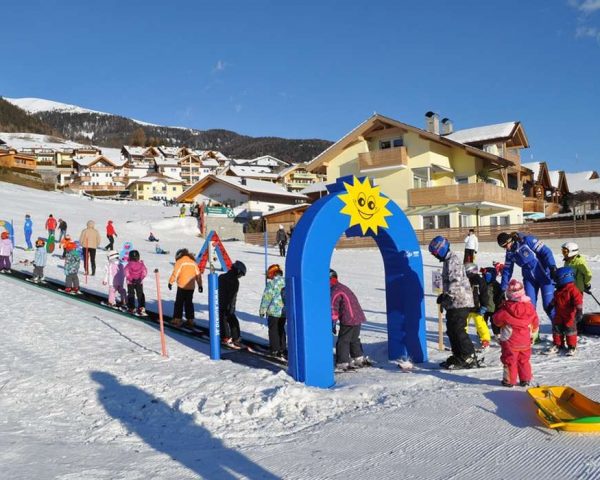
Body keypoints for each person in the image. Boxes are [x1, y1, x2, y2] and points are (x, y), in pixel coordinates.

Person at [428, 236, 478, 369]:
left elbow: (455, 281)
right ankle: (458, 355)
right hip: (453, 302)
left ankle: (468, 356)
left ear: (441, 249)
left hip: (460, 301)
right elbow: (449, 282)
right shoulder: (447, 260)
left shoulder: (453, 260)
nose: (434, 256)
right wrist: (443, 296)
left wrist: (447, 296)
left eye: (435, 253)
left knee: (458, 329)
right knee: (451, 330)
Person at [497, 231, 557, 325]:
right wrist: (503, 288)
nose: (506, 248)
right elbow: (507, 270)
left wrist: (552, 267)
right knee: (529, 307)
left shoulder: (527, 241)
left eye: (506, 245)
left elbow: (546, 251)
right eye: (503, 247)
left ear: (510, 240)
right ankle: (534, 334)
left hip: (544, 275)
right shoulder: (509, 254)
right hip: (529, 279)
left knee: (548, 306)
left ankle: (560, 329)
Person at [493, 279, 539, 387]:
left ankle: (509, 380)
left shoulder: (505, 310)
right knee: (524, 360)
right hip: (525, 340)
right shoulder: (530, 307)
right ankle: (525, 379)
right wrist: (533, 332)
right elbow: (535, 321)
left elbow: (497, 321)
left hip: (510, 341)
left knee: (510, 361)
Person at [330, 268, 371, 371]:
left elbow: (333, 309)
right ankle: (358, 357)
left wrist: (332, 324)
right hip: (357, 316)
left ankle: (342, 362)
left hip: (349, 318)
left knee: (343, 341)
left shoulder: (334, 291)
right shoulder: (342, 287)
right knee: (354, 338)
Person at [546, 267, 583, 356]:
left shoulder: (573, 290)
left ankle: (571, 346)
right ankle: (558, 345)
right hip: (559, 314)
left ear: (564, 278)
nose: (555, 281)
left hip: (570, 315)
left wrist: (579, 311)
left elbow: (578, 301)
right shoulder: (558, 290)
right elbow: (555, 299)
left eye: (557, 279)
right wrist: (550, 306)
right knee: (557, 329)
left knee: (570, 330)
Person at [168, 248, 203, 328]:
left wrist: (171, 282)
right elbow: (198, 275)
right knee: (189, 303)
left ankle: (177, 319)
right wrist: (200, 285)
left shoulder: (180, 262)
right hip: (191, 287)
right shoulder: (193, 262)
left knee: (179, 303)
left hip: (182, 286)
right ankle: (190, 320)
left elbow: (175, 273)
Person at [259, 264, 287, 358]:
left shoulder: (271, 283)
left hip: (273, 312)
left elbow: (267, 298)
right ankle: (283, 348)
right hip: (284, 312)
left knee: (273, 330)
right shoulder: (286, 281)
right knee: (281, 329)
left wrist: (262, 310)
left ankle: (275, 349)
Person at [464, 263, 492, 351]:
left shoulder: (479, 280)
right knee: (463, 324)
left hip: (477, 307)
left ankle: (485, 339)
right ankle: (462, 339)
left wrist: (484, 305)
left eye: (467, 272)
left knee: (480, 324)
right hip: (465, 306)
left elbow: (484, 294)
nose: (465, 273)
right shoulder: (463, 280)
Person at [219, 260, 247, 346]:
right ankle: (233, 337)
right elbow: (233, 295)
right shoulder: (235, 281)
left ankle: (228, 336)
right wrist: (231, 306)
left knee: (224, 319)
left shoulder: (221, 277)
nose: (240, 276)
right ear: (238, 271)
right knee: (230, 319)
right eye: (241, 274)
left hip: (220, 302)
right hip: (228, 304)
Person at [481, 266, 504, 339]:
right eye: (483, 275)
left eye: (486, 275)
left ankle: (497, 334)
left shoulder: (496, 285)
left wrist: (500, 304)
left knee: (495, 322)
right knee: (482, 322)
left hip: (494, 308)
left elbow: (501, 296)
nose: (484, 277)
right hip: (483, 307)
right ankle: (482, 335)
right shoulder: (482, 284)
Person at [124, 250, 147, 315]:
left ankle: (131, 307)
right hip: (139, 282)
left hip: (130, 282)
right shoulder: (141, 264)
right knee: (140, 294)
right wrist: (140, 278)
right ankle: (141, 307)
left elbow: (126, 272)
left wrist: (131, 279)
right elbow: (144, 272)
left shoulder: (128, 265)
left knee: (131, 294)